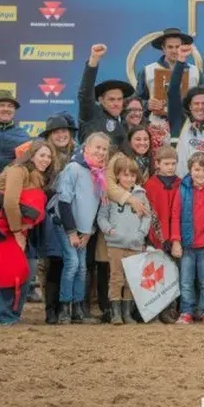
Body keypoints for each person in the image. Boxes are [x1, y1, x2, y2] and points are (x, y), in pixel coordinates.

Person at [0, 139, 54, 325]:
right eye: (42, 155)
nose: (46, 159)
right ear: (31, 155)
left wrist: (23, 227)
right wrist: (17, 232)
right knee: (13, 265)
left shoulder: (37, 176)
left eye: (49, 156)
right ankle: (0, 315)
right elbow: (10, 202)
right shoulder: (18, 170)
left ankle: (11, 313)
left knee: (28, 266)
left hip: (7, 224)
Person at [55, 132, 112, 324]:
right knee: (71, 265)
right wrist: (71, 232)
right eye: (97, 147)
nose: (101, 152)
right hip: (68, 227)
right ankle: (64, 307)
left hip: (85, 230)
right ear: (85, 148)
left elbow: (96, 205)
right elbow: (64, 202)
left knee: (82, 269)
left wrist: (89, 232)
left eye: (104, 149)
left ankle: (79, 309)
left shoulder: (99, 174)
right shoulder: (74, 168)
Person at [96, 155, 156, 325]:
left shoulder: (141, 195)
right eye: (125, 175)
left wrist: (141, 233)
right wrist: (110, 231)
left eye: (132, 175)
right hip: (116, 244)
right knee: (116, 278)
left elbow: (147, 216)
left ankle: (127, 312)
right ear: (117, 176)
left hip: (135, 244)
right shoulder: (111, 196)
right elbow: (102, 217)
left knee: (132, 279)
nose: (129, 179)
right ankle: (115, 313)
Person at [34, 113, 76, 324]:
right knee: (53, 262)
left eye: (64, 131)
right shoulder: (44, 155)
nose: (61, 135)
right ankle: (51, 309)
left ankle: (66, 307)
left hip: (73, 214)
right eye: (56, 132)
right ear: (49, 135)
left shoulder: (77, 154)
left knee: (72, 263)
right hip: (51, 216)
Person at [170, 152, 204, 325]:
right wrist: (176, 241)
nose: (200, 174)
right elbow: (175, 216)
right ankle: (186, 311)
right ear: (190, 170)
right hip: (187, 245)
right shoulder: (183, 189)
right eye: (196, 169)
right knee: (186, 280)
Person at [143, 146, 181, 324]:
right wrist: (155, 237)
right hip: (155, 238)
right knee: (155, 276)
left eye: (173, 164)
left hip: (175, 238)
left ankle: (170, 310)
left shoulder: (181, 184)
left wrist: (174, 239)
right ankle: (154, 309)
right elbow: (149, 213)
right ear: (157, 164)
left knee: (172, 275)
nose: (170, 167)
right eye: (166, 164)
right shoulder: (150, 185)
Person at [167, 43, 204, 178]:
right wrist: (181, 61)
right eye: (196, 104)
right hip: (181, 190)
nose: (200, 107)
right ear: (189, 106)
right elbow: (172, 92)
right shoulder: (180, 121)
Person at [136, 27, 204, 123]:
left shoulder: (195, 72)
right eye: (170, 47)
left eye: (177, 47)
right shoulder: (147, 71)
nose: (174, 50)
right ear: (163, 48)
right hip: (156, 127)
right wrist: (147, 104)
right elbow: (136, 101)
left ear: (183, 47)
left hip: (187, 126)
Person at [78, 44, 135, 150]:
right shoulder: (92, 114)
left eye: (119, 99)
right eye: (111, 99)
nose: (116, 103)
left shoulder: (123, 122)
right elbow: (85, 94)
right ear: (100, 100)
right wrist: (94, 60)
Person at [0, 90, 30, 168]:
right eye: (1, 105)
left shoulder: (23, 135)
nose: (6, 109)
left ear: (14, 111)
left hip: (11, 179)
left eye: (10, 106)